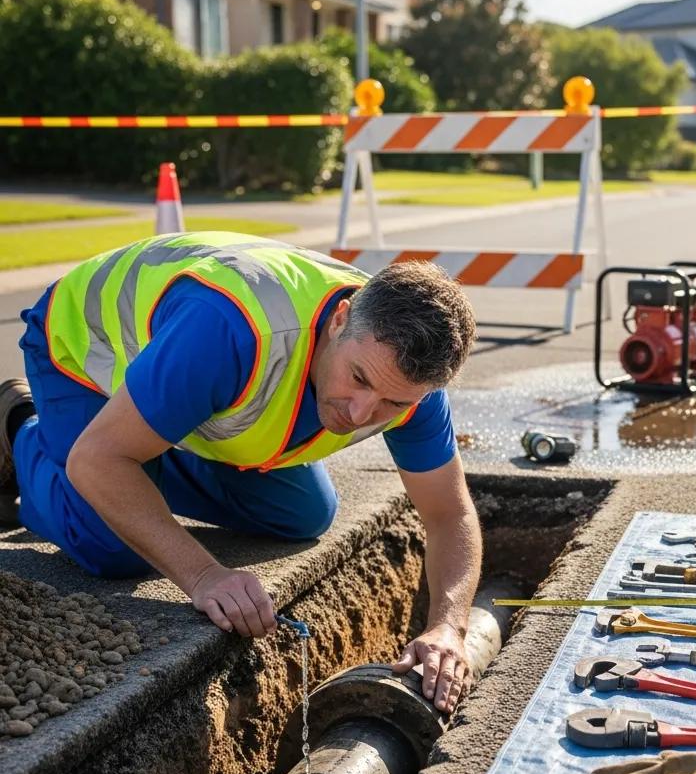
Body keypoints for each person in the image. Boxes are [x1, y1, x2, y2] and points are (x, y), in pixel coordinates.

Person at [0, 231, 481, 712]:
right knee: (113, 546)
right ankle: (21, 426)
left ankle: (152, 435)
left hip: (187, 374)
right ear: (340, 321)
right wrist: (204, 575)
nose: (360, 414)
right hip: (86, 350)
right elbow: (95, 460)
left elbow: (450, 514)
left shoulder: (411, 381)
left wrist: (448, 626)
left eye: (392, 403)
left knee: (303, 514)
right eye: (358, 379)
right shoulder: (234, 330)